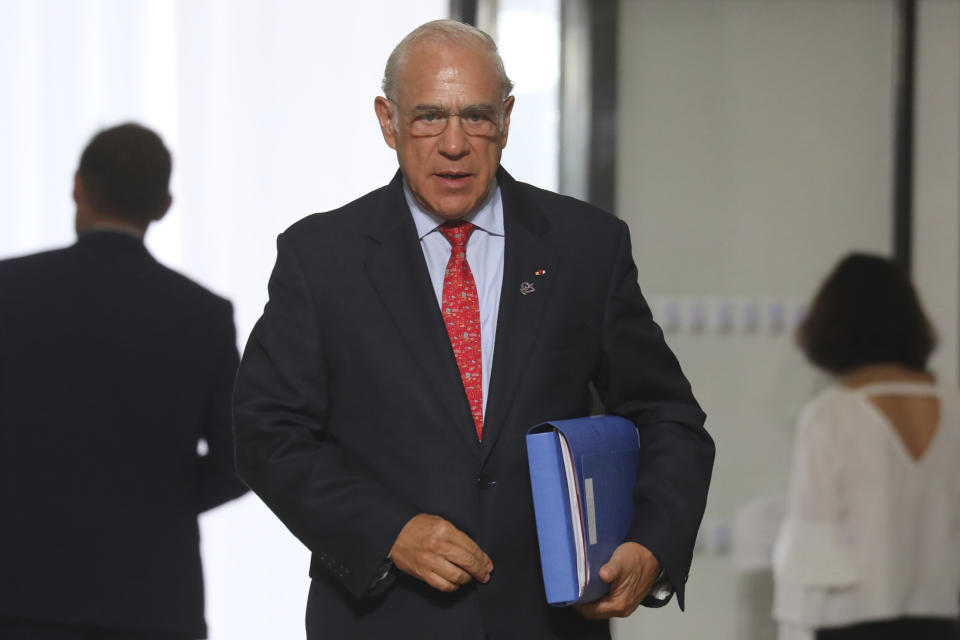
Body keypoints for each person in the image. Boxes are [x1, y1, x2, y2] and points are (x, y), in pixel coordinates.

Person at [233, 19, 714, 639]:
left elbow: (668, 416)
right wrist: (387, 532)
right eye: (429, 116)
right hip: (382, 620)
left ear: (507, 119)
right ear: (388, 121)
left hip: (547, 622)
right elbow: (266, 434)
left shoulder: (585, 246)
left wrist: (652, 542)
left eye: (477, 117)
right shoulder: (322, 257)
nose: (453, 144)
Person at [0, 123, 248, 640]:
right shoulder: (202, 315)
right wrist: (160, 502)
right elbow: (240, 459)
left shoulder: (9, 292)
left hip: (19, 591)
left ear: (77, 186)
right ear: (164, 205)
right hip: (153, 602)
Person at [773, 253, 960, 640]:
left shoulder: (830, 414)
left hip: (850, 617)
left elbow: (811, 545)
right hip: (940, 617)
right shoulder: (954, 406)